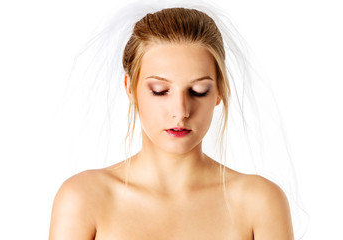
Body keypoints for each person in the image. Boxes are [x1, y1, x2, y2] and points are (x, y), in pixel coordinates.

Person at [49, 3, 298, 240]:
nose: (181, 111)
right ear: (130, 89)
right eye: (160, 90)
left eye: (198, 91)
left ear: (219, 91)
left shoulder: (260, 202)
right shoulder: (83, 199)